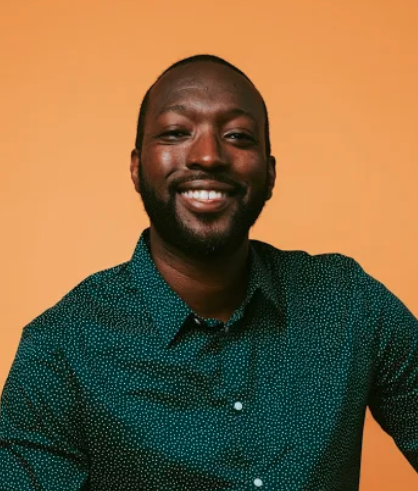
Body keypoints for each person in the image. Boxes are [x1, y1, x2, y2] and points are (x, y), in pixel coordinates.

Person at [0, 54, 417, 491]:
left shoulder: (348, 305)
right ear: (137, 168)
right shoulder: (61, 351)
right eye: (176, 133)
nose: (208, 156)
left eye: (237, 136)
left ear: (270, 173)